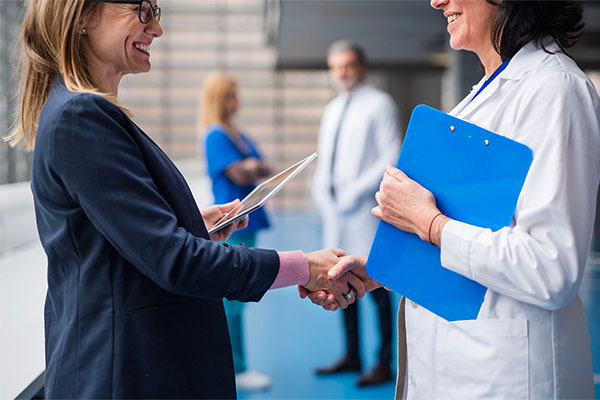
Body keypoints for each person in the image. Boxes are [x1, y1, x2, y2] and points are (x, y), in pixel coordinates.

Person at [5, 1, 370, 398]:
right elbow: (176, 262)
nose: (157, 29)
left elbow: (119, 241)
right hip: (121, 371)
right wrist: (304, 266)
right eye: (142, 10)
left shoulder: (78, 113)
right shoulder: (82, 116)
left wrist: (190, 225)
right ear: (82, 17)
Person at [304, 1, 600, 398]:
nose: (436, 1)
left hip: (507, 374)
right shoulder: (488, 92)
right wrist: (384, 270)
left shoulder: (555, 89)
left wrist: (428, 223)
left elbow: (551, 268)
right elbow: (479, 227)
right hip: (461, 364)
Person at [309, 40, 401, 386]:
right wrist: (322, 193)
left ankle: (383, 362)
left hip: (365, 211)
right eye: (336, 67)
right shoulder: (333, 109)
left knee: (375, 285)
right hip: (336, 213)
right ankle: (352, 355)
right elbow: (324, 158)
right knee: (337, 280)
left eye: (347, 65)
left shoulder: (379, 104)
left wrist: (355, 190)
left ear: (361, 67)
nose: (342, 73)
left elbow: (389, 154)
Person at [200, 71, 272, 391]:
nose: (236, 103)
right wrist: (252, 165)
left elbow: (259, 167)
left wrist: (251, 166)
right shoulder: (216, 135)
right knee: (233, 300)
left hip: (246, 222)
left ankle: (236, 365)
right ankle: (235, 368)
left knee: (239, 300)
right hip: (229, 225)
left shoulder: (235, 135)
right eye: (230, 97)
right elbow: (243, 174)